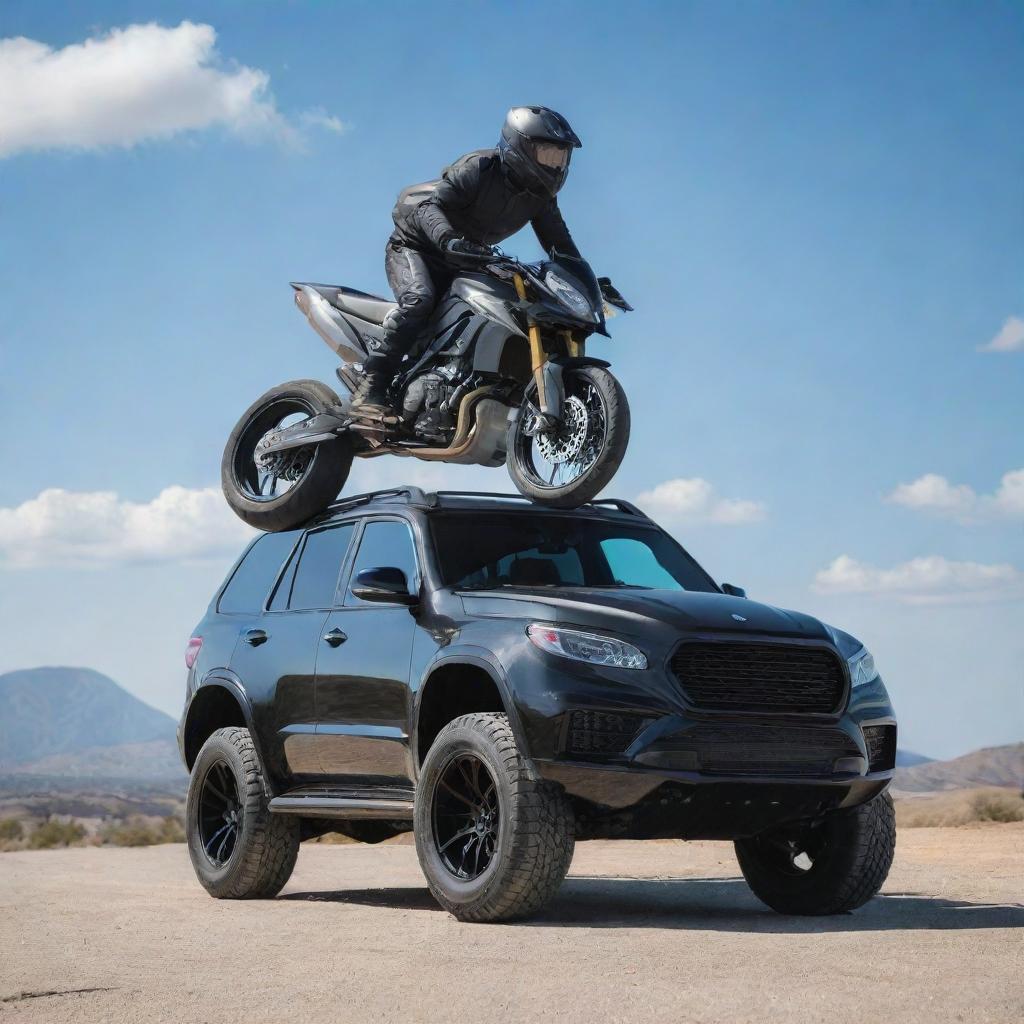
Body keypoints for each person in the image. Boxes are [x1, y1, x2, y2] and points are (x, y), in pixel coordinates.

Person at [350, 106, 584, 416]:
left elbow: (561, 245)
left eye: (560, 157)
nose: (554, 164)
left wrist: (585, 280)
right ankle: (372, 383)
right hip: (417, 247)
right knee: (420, 300)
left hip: (464, 259)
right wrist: (447, 238)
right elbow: (428, 209)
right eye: (547, 153)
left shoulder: (539, 198)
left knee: (496, 308)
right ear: (520, 145)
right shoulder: (480, 167)